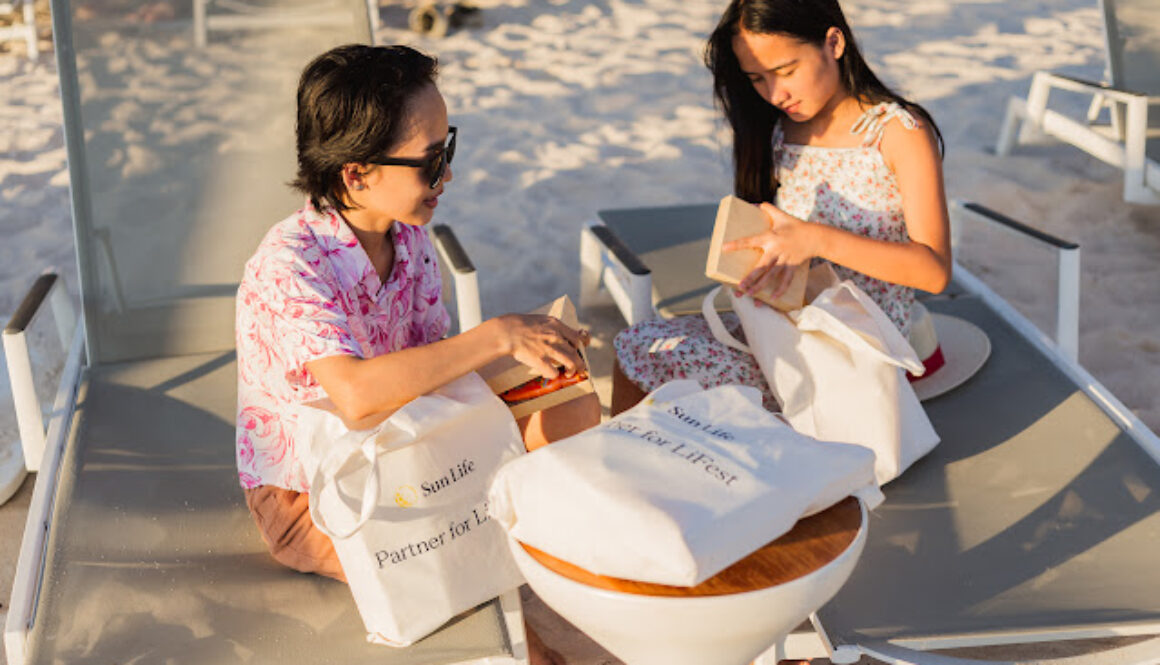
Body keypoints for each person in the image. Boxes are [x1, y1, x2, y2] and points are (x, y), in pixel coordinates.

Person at [234, 43, 578, 664]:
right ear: (356, 174)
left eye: (449, 149)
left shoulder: (408, 240)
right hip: (317, 497)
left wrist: (528, 356)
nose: (447, 176)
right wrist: (496, 337)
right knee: (491, 541)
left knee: (565, 412)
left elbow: (433, 367)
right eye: (430, 162)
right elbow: (356, 394)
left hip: (405, 449)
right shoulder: (289, 264)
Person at [613, 0, 952, 409]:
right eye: (757, 79)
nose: (775, 94)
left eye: (786, 71)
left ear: (833, 42)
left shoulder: (896, 132)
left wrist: (815, 240)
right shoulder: (780, 130)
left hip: (859, 346)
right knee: (637, 346)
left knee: (646, 359)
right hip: (788, 324)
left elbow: (934, 272)